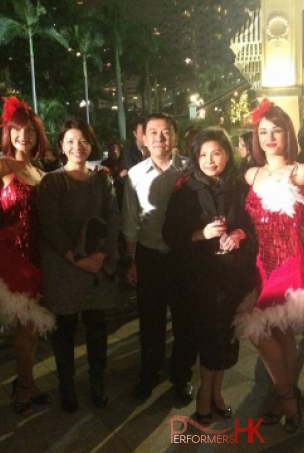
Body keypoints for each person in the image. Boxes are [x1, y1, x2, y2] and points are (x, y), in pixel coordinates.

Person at [233, 98, 304, 432]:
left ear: (288, 134)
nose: (269, 137)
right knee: (280, 335)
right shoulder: (251, 174)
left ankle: (285, 397)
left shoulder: (302, 172)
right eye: (263, 131)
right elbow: (240, 217)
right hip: (261, 263)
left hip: (291, 261)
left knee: (258, 330)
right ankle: (289, 392)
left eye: (276, 130)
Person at [163, 128, 256, 424]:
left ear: (227, 154)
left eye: (216, 153)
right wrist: (201, 233)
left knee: (228, 336)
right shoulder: (186, 190)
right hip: (200, 277)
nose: (210, 160)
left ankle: (217, 391)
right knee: (209, 335)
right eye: (203, 154)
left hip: (233, 275)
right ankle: (206, 393)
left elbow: (253, 226)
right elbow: (171, 235)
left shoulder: (240, 187)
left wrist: (240, 233)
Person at [38, 118, 120, 413]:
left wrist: (100, 256)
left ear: (91, 144)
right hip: (63, 265)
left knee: (97, 328)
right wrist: (75, 257)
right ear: (61, 146)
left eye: (83, 141)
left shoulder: (103, 177)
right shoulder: (52, 181)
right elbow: (50, 224)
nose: (77, 147)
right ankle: (67, 386)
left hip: (97, 264)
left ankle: (97, 382)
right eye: (70, 141)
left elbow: (113, 217)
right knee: (65, 329)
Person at [122, 112, 197, 403]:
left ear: (175, 137)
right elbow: (130, 221)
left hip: (183, 258)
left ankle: (181, 377)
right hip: (149, 257)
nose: (159, 138)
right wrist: (131, 261)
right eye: (153, 132)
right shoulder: (135, 175)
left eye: (166, 132)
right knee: (150, 322)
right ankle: (149, 375)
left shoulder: (191, 170)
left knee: (184, 322)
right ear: (143, 137)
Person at [0, 96, 55, 415]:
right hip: (12, 258)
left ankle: (26, 381)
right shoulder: (3, 165)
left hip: (37, 255)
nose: (25, 136)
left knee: (31, 327)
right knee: (25, 327)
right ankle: (23, 388)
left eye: (31, 131)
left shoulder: (36, 169)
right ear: (9, 133)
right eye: (19, 130)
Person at [101, 140, 127, 210]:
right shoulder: (104, 164)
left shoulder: (125, 162)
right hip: (111, 195)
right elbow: (105, 181)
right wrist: (119, 176)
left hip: (124, 195)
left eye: (115, 149)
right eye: (111, 149)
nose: (114, 151)